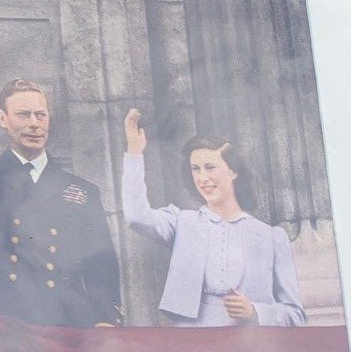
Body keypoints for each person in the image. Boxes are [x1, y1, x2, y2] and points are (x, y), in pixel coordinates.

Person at [0, 17, 121, 327]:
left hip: (63, 318)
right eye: (24, 115)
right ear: (3, 119)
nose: (34, 124)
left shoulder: (81, 190)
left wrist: (106, 319)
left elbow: (101, 262)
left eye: (40, 115)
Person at [121, 109, 305, 327]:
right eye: (195, 169)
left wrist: (255, 311)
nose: (202, 178)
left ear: (233, 171)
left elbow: (295, 315)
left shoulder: (270, 237)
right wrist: (134, 153)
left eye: (210, 167)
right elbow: (136, 216)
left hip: (247, 341)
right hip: (192, 339)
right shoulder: (182, 222)